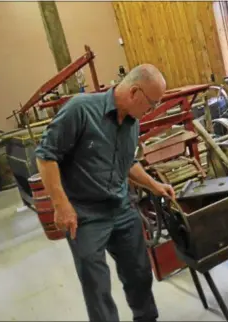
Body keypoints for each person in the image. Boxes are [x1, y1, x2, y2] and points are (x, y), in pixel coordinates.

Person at [35, 64, 175, 322]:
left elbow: (128, 163)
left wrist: (154, 186)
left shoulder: (131, 122)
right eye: (152, 104)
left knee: (139, 272)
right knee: (97, 286)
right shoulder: (81, 110)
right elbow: (46, 157)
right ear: (135, 92)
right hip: (84, 215)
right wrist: (61, 205)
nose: (151, 111)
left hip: (121, 207)